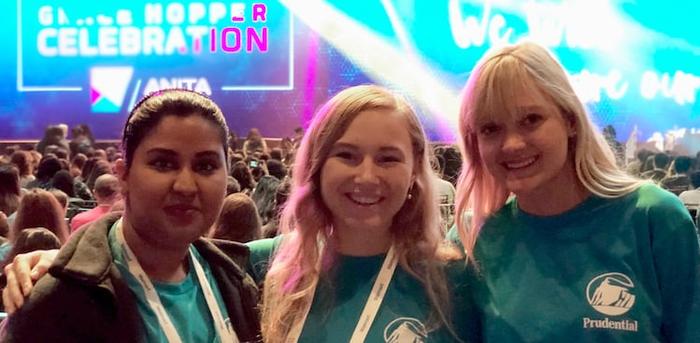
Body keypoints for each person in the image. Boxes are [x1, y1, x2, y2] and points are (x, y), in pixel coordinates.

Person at [451, 41, 699, 342]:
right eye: (491, 129)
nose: (512, 144)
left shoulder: (653, 219)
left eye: (531, 120)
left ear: (569, 120)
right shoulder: (473, 239)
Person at [1, 89, 260, 342]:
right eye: (163, 163)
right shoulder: (56, 305)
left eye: (205, 166)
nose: (185, 185)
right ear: (123, 175)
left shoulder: (236, 284)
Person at [249, 85, 475, 342]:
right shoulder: (267, 264)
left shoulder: (453, 280)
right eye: (347, 155)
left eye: (388, 158)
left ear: (413, 170)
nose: (367, 176)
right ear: (317, 164)